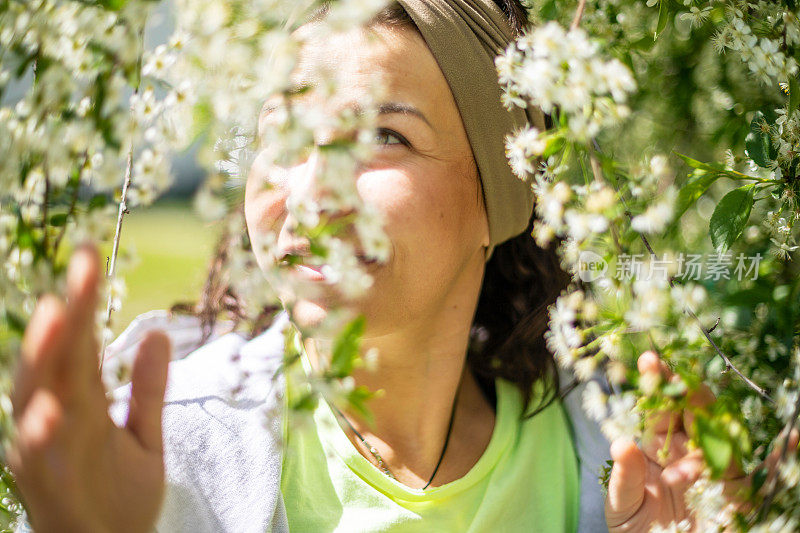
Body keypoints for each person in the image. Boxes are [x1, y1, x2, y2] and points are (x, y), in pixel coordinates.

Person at [7, 1, 797, 532]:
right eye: (283, 132)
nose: (311, 189)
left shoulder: (606, 453)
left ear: (501, 196)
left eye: (385, 135)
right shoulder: (159, 455)